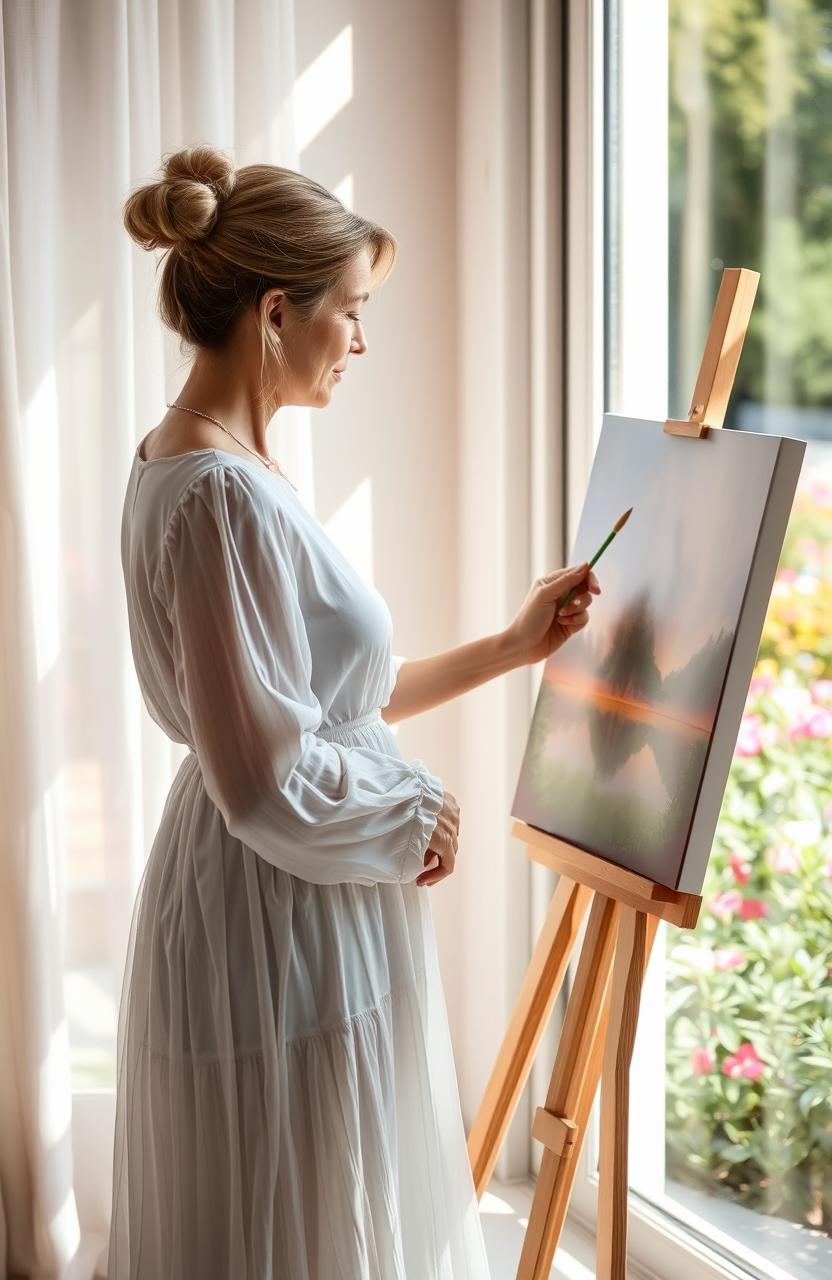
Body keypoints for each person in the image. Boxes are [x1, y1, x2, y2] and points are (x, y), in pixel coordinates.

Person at [108, 143, 598, 1279]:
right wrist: (413, 810)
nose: (362, 345)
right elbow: (265, 776)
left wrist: (512, 645)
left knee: (307, 1207)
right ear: (277, 312)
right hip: (279, 906)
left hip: (285, 891)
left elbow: (329, 701)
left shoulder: (208, 462)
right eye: (353, 312)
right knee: (298, 1213)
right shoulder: (220, 491)